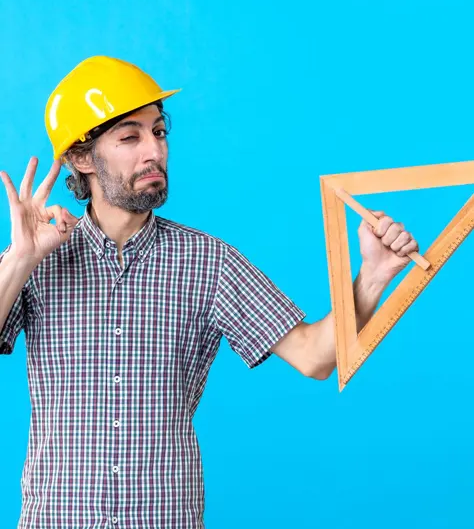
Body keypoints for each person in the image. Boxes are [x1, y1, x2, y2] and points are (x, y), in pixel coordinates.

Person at [0, 56, 420, 529]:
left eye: (159, 131)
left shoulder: (208, 261)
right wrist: (20, 257)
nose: (153, 152)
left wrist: (373, 276)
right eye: (130, 137)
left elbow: (315, 356)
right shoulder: (38, 255)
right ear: (80, 158)